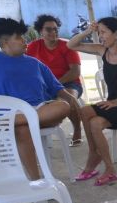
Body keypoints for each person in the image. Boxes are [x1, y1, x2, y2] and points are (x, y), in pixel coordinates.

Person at [0, 17, 73, 180]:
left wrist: (76, 114)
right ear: (5, 42)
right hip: (11, 114)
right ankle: (36, 180)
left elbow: (60, 91)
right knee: (23, 129)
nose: (24, 40)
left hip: (40, 110)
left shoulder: (35, 63)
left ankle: (7, 122)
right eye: (19, 37)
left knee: (63, 106)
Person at [67, 17, 117, 186]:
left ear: (116, 33)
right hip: (110, 106)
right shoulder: (103, 51)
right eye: (98, 32)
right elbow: (71, 45)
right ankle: (109, 169)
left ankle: (93, 156)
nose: (100, 36)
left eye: (103, 32)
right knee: (94, 124)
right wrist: (87, 31)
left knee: (85, 111)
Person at [26, 14, 84, 146]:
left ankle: (77, 129)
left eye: (56, 29)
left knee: (66, 99)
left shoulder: (67, 45)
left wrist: (55, 84)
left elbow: (75, 71)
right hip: (43, 85)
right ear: (40, 31)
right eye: (49, 29)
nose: (54, 32)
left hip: (69, 83)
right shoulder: (33, 47)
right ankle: (43, 132)